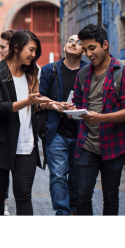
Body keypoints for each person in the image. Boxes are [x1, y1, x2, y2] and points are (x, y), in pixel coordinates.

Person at [65, 24, 125, 216]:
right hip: (86, 144)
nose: (88, 54)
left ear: (105, 44)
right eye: (85, 49)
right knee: (81, 196)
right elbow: (78, 102)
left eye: (92, 48)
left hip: (114, 145)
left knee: (111, 196)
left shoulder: (123, 72)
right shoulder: (83, 74)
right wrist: (73, 109)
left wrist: (101, 118)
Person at [0, 30, 51, 216]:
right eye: (31, 50)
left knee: (24, 195)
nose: (34, 55)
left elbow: (34, 106)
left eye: (36, 51)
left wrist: (51, 105)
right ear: (17, 48)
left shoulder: (32, 72)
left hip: (26, 145)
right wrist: (27, 101)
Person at [39, 34, 88, 216]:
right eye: (71, 41)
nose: (74, 44)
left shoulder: (89, 70)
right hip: (56, 131)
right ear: (64, 46)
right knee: (58, 175)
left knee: (77, 177)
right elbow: (40, 100)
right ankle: (62, 211)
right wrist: (54, 105)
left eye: (79, 42)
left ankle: (74, 209)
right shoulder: (49, 70)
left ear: (84, 50)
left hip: (82, 132)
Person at [0, 29, 17, 216]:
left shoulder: (31, 71)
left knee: (22, 187)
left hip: (23, 136)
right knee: (1, 175)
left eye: (3, 47)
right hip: (2, 132)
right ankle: (3, 203)